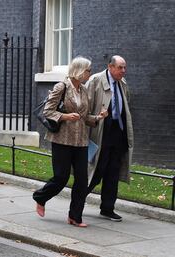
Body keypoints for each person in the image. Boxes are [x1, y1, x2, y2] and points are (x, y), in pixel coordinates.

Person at [32, 56, 107, 227]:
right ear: (79, 71)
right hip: (62, 140)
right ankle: (40, 197)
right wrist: (65, 116)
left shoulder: (84, 90)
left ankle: (75, 217)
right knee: (61, 177)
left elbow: (84, 117)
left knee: (82, 181)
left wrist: (98, 117)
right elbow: (47, 111)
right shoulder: (62, 87)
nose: (90, 73)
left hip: (80, 141)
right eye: (88, 70)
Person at [86, 55, 134, 222]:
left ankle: (107, 208)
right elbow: (86, 108)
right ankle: (78, 199)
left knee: (113, 172)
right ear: (110, 66)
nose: (123, 71)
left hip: (118, 134)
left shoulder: (123, 83)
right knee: (97, 170)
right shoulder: (95, 80)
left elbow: (125, 105)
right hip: (101, 133)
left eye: (124, 67)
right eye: (120, 67)